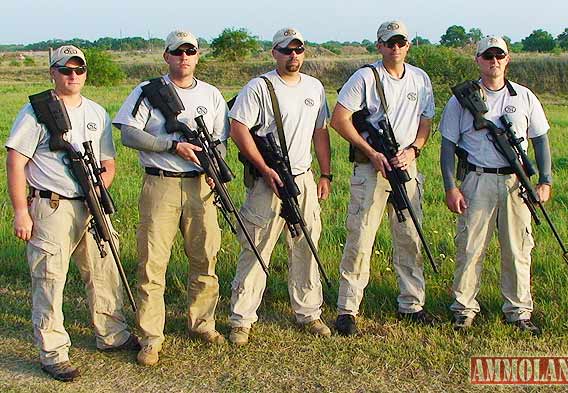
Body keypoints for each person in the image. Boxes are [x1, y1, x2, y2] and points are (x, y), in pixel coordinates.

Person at [5, 45, 139, 382]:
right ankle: (52, 351)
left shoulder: (96, 112)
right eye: (66, 70)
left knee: (104, 268)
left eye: (79, 70)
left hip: (91, 203)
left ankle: (112, 334)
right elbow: (16, 161)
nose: (73, 76)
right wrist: (21, 211)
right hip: (51, 206)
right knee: (50, 278)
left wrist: (99, 187)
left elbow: (108, 163)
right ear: (53, 73)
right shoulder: (37, 112)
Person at [113, 30, 230, 365]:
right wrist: (172, 146)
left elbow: (220, 138)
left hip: (200, 186)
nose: (183, 58)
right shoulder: (148, 92)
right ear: (166, 56)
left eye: (190, 51)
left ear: (197, 56)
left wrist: (213, 164)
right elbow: (129, 134)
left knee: (206, 257)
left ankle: (202, 323)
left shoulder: (210, 94)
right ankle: (150, 337)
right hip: (160, 184)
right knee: (152, 263)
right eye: (177, 52)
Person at [439, 36, 552, 335]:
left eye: (499, 55)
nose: (493, 61)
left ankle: (518, 311)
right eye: (487, 56)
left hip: (517, 183)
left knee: (517, 249)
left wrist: (545, 181)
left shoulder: (524, 97)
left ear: (507, 59)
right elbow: (447, 146)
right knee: (470, 247)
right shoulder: (462, 100)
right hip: (477, 180)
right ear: (477, 60)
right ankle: (463, 309)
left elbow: (540, 140)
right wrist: (451, 187)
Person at [227, 27, 332, 346]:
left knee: (306, 245)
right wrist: (263, 168)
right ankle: (241, 318)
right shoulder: (258, 87)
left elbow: (320, 132)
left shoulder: (314, 87)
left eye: (298, 50)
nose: (293, 56)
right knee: (256, 246)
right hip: (266, 181)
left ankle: (309, 312)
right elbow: (238, 128)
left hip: (303, 177)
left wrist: (325, 175)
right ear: (274, 53)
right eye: (286, 50)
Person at [330, 20, 436, 336]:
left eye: (401, 42)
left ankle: (412, 304)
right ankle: (347, 310)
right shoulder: (365, 77)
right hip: (371, 169)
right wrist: (370, 151)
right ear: (379, 46)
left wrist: (414, 149)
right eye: (390, 43)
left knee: (410, 236)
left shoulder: (420, 79)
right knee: (361, 237)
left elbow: (426, 120)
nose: (396, 48)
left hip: (405, 166)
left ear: (408, 45)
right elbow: (340, 119)